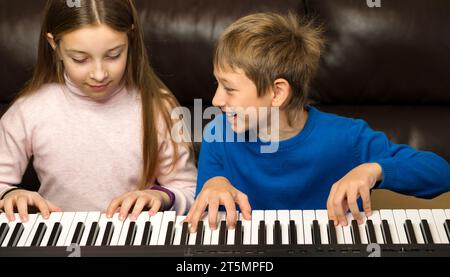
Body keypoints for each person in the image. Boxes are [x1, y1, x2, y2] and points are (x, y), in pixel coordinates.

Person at [185, 12, 450, 232]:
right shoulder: (217, 133)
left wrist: (374, 170)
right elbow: (210, 216)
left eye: (229, 89)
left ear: (277, 93)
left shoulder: (347, 137)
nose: (216, 99)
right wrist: (213, 184)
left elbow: (440, 173)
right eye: (217, 84)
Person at [0, 0, 197, 223]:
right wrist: (10, 194)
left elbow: (190, 190)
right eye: (80, 59)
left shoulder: (158, 105)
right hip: (59, 243)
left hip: (133, 240)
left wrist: (161, 196)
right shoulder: (29, 111)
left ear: (130, 40)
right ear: (54, 45)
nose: (99, 74)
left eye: (113, 55)